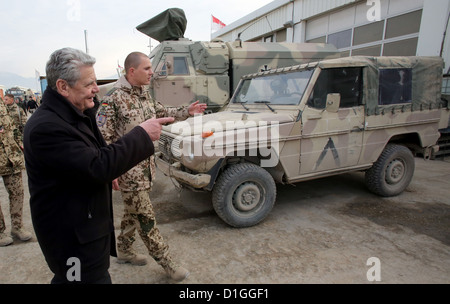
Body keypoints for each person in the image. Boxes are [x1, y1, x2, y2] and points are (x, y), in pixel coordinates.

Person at [23, 47, 174, 284]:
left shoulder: (76, 113)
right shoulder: (47, 128)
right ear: (63, 87)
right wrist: (142, 135)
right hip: (72, 242)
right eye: (88, 84)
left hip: (87, 234)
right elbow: (96, 166)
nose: (96, 88)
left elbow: (97, 148)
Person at [97, 51, 207, 281]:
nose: (152, 72)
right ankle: (167, 262)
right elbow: (102, 139)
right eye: (147, 68)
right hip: (128, 171)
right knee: (146, 218)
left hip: (146, 168)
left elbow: (163, 111)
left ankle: (124, 250)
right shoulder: (113, 99)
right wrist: (110, 171)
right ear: (131, 71)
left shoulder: (144, 94)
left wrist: (186, 111)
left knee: (132, 212)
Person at [0, 96, 32, 247]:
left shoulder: (2, 105)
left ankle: (17, 227)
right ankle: (0, 231)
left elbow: (13, 129)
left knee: (18, 192)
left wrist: (21, 144)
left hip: (12, 158)